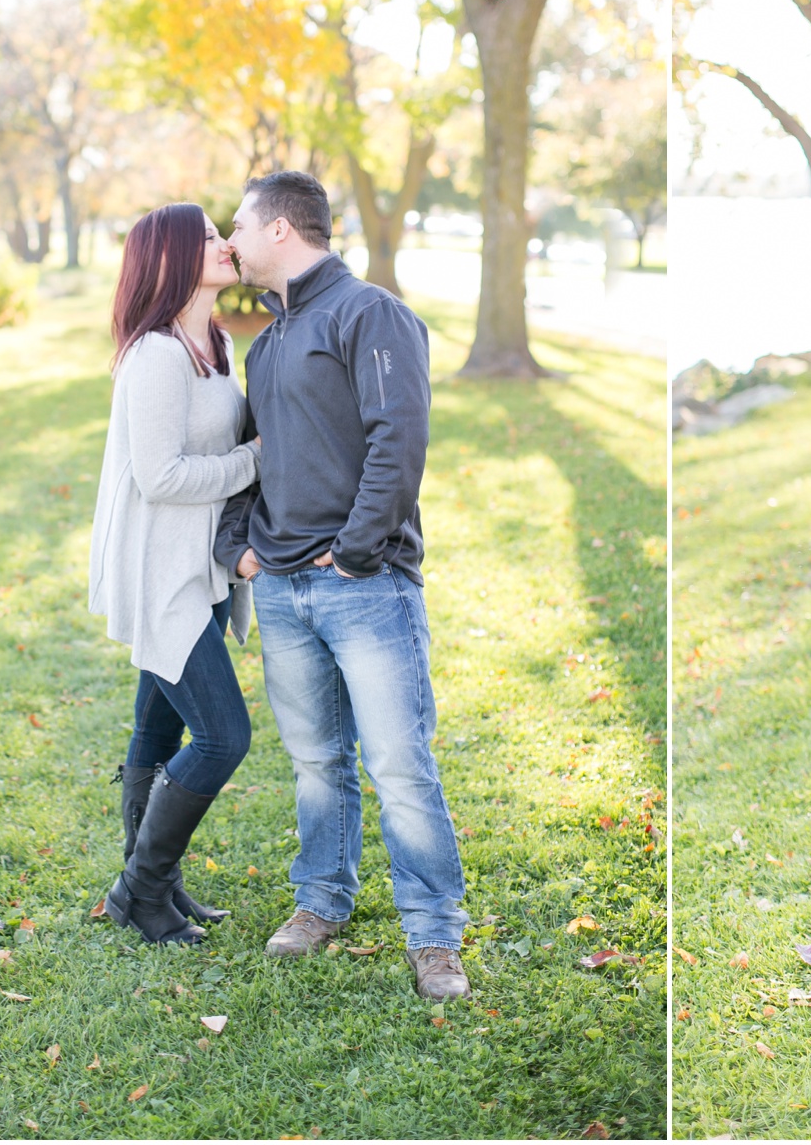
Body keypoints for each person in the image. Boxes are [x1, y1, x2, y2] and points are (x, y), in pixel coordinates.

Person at [215, 170, 471, 1003]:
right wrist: (239, 550)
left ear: (282, 230)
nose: (232, 242)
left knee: (399, 763)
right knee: (317, 763)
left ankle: (434, 935)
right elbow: (253, 459)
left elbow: (401, 436)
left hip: (366, 586)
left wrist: (358, 551)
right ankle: (322, 901)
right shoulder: (271, 340)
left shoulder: (371, 314)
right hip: (284, 589)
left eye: (240, 228)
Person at [89, 203, 259, 945]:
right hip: (163, 572)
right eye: (212, 238)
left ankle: (154, 879)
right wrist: (257, 460)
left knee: (156, 728)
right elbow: (160, 476)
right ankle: (140, 889)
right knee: (222, 736)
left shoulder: (214, 339)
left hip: (203, 568)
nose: (227, 244)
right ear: (174, 258)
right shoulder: (156, 354)